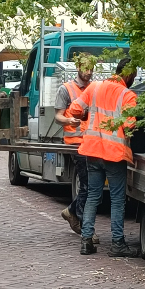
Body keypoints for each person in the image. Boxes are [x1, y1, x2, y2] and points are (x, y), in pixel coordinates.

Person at [65, 63, 140, 257]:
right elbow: (130, 125)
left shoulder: (94, 87)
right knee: (116, 200)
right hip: (114, 154)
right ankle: (117, 243)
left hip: (92, 151)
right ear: (129, 74)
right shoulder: (127, 96)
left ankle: (86, 241)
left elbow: (74, 110)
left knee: (92, 196)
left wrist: (87, 117)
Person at [56, 55, 97, 229]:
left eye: (91, 69)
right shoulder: (66, 89)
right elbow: (58, 116)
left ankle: (72, 211)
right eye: (85, 69)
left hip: (91, 143)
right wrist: (68, 121)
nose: (88, 73)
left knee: (90, 185)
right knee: (87, 183)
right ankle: (81, 222)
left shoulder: (95, 88)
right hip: (75, 143)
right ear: (78, 68)